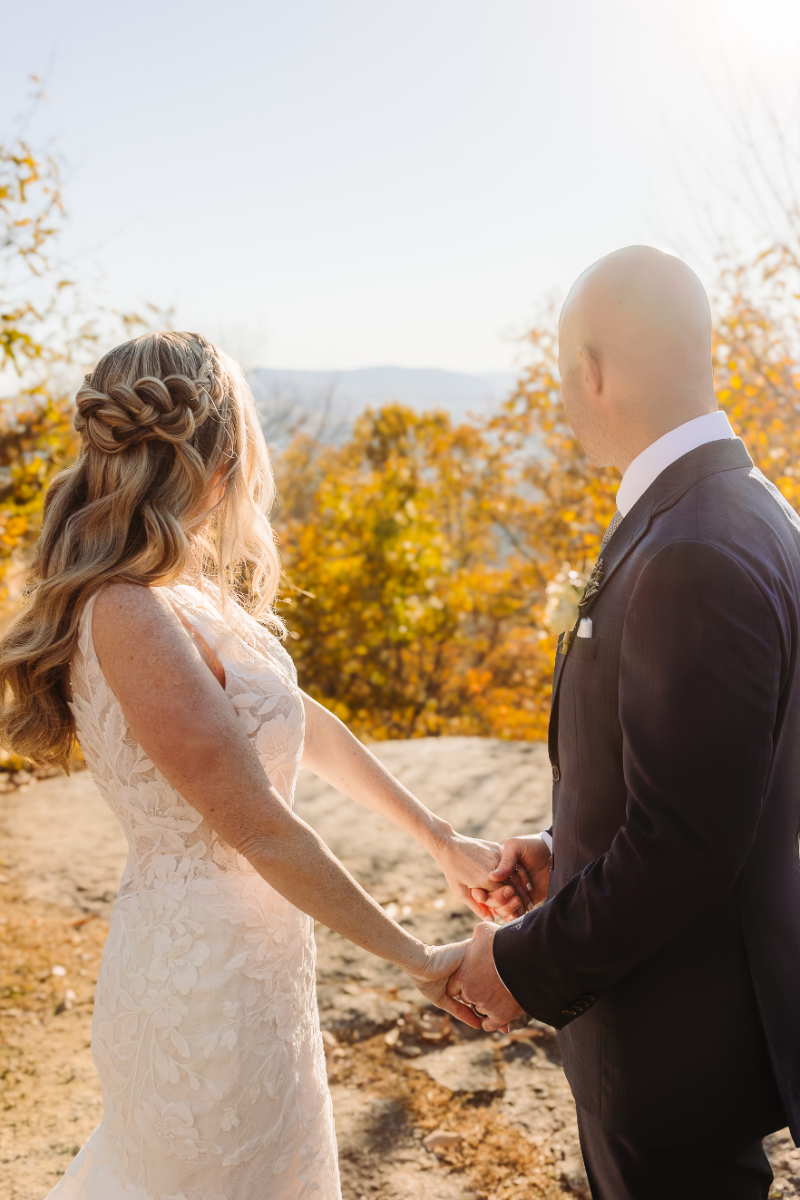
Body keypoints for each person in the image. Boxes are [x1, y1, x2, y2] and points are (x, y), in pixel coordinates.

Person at [0, 332, 529, 1200]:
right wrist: (415, 957)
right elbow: (258, 827)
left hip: (258, 961)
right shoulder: (126, 613)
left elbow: (297, 723)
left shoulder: (184, 592)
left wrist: (440, 839)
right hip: (195, 984)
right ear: (216, 455)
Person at [449, 246, 800, 1200]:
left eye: (564, 370)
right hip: (687, 1009)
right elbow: (715, 780)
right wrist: (566, 845)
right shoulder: (747, 507)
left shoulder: (693, 549)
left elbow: (685, 843)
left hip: (674, 1033)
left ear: (592, 372)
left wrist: (518, 962)